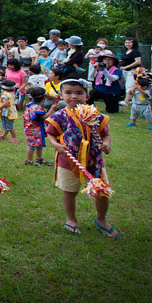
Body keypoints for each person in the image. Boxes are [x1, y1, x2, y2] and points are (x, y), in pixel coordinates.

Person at [45, 78, 117, 238]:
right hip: (68, 160)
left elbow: (105, 135)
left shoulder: (96, 116)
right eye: (68, 93)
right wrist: (56, 145)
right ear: (61, 95)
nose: (73, 96)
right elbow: (50, 133)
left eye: (79, 93)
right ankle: (71, 218)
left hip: (95, 160)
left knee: (102, 191)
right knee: (70, 190)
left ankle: (101, 219)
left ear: (87, 96)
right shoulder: (60, 116)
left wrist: (106, 144)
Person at [22, 87, 50, 166]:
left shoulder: (31, 105)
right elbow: (44, 117)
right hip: (33, 130)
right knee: (31, 145)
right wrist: (52, 110)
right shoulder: (36, 107)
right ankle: (29, 160)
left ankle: (39, 158)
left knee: (39, 144)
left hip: (35, 129)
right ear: (43, 98)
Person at [119, 37, 143, 106]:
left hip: (133, 71)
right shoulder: (126, 51)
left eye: (129, 42)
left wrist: (126, 67)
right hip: (125, 71)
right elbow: (126, 59)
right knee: (127, 85)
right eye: (126, 43)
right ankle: (131, 100)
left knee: (130, 85)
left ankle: (126, 101)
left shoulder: (135, 52)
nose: (127, 44)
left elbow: (138, 61)